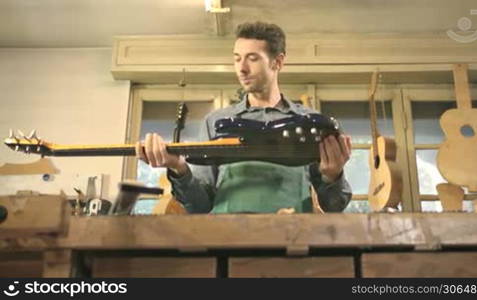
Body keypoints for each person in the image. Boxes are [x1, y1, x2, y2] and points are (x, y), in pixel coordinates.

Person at [136, 21, 352, 214]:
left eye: (252, 58)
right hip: (229, 241)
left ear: (277, 62)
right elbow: (200, 206)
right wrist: (179, 168)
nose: (242, 68)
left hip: (292, 240)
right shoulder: (215, 122)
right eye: (237, 59)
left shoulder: (309, 121)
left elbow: (335, 205)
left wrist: (333, 175)